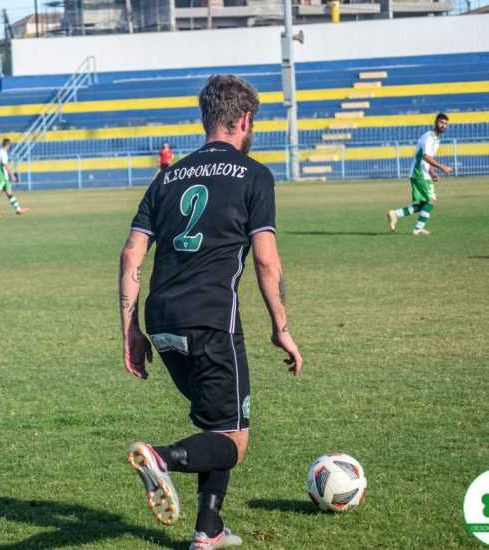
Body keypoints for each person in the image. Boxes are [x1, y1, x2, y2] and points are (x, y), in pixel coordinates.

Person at [119, 75, 303, 550]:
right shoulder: (254, 175)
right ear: (245, 120)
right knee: (233, 441)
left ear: (206, 119)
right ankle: (162, 458)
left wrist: (131, 331)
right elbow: (266, 260)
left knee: (216, 423)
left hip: (161, 321)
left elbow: (132, 254)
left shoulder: (166, 178)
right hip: (212, 320)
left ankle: (209, 530)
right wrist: (281, 327)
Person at [388, 113, 452, 236]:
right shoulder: (428, 137)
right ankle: (417, 228)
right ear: (435, 122)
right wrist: (442, 167)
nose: (443, 125)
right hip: (419, 173)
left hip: (423, 173)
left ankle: (396, 214)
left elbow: (427, 158)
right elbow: (425, 156)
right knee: (431, 200)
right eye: (441, 122)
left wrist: (432, 172)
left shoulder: (436, 139)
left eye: (445, 124)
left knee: (424, 204)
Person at [0, 138, 29, 218]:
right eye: (10, 145)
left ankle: (18, 210)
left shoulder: (2, 152)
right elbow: (5, 165)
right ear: (8, 145)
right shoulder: (2, 153)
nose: (10, 146)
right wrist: (12, 175)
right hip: (1, 176)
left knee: (9, 193)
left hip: (4, 177)